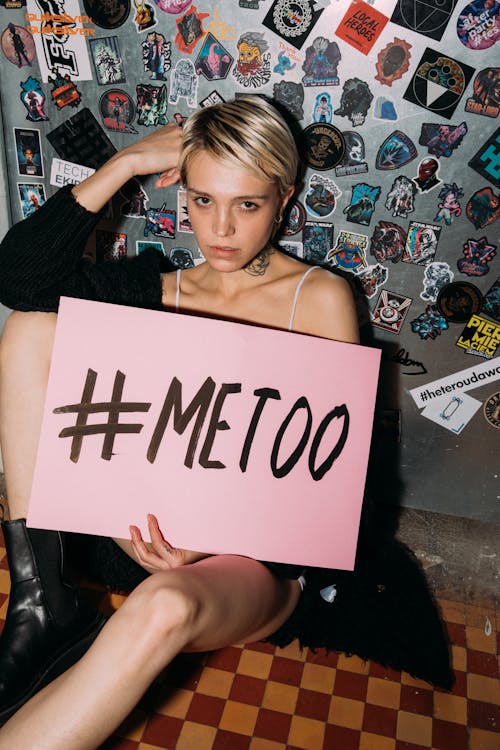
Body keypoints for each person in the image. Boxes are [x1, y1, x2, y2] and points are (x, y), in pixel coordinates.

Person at [0, 96, 358, 749]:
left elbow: (325, 489)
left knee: (160, 608)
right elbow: (19, 279)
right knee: (29, 328)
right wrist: (125, 163)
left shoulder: (319, 298)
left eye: (247, 204)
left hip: (248, 565)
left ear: (284, 197)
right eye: (201, 201)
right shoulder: (156, 287)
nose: (220, 228)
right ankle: (42, 594)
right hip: (131, 542)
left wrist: (214, 534)